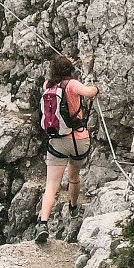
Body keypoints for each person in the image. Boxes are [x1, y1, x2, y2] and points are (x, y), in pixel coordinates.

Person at [34, 54, 98, 243]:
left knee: (51, 185)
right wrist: (95, 87)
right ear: (70, 71)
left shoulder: (48, 86)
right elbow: (90, 92)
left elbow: (54, 77)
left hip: (57, 141)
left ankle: (43, 223)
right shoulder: (73, 86)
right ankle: (73, 207)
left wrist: (65, 64)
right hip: (78, 140)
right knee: (74, 177)